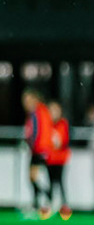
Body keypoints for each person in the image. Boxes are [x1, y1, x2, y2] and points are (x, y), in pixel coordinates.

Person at [21, 90, 52, 218]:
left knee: (35, 177)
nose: (25, 103)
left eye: (27, 100)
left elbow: (35, 132)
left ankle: (46, 199)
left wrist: (29, 143)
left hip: (40, 149)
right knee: (33, 177)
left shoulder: (37, 112)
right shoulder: (41, 111)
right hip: (39, 149)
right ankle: (40, 202)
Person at [43, 100, 72, 220]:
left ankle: (64, 207)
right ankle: (49, 206)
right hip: (50, 158)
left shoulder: (63, 124)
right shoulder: (47, 124)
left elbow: (63, 141)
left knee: (60, 182)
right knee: (50, 182)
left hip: (60, 158)